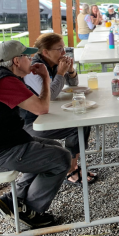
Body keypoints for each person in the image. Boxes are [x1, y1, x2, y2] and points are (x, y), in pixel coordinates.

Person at [0, 41, 71, 228]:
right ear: (16, 61)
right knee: (61, 157)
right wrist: (46, 78)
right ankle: (30, 212)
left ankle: (14, 200)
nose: (31, 59)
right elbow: (42, 108)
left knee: (53, 147)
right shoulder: (4, 81)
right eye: (27, 56)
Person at [22, 33, 95, 185]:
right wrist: (61, 72)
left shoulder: (53, 63)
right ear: (46, 52)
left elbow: (73, 84)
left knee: (84, 121)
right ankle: (70, 170)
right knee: (77, 127)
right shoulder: (34, 69)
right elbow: (52, 95)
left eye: (64, 49)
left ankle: (72, 165)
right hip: (33, 122)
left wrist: (71, 70)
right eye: (60, 49)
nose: (64, 53)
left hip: (48, 113)